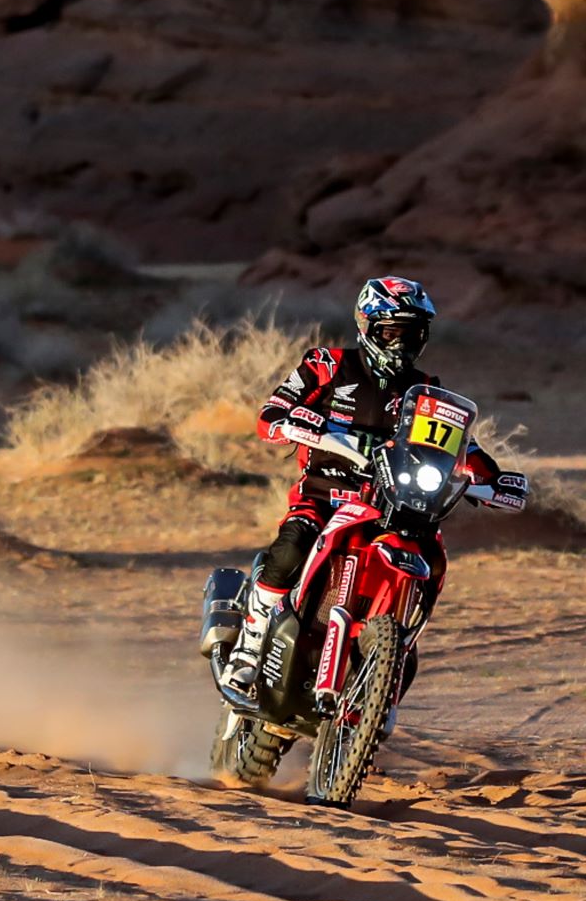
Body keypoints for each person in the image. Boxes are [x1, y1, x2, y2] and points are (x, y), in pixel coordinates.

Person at [221, 275, 528, 692]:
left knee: (431, 556)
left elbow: (461, 448)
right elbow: (270, 415)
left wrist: (492, 480)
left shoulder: (427, 394)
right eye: (391, 333)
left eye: (411, 334)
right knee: (293, 544)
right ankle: (249, 648)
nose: (400, 345)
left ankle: (391, 658)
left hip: (394, 505)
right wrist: (298, 423)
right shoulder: (326, 364)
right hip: (324, 496)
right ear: (366, 328)